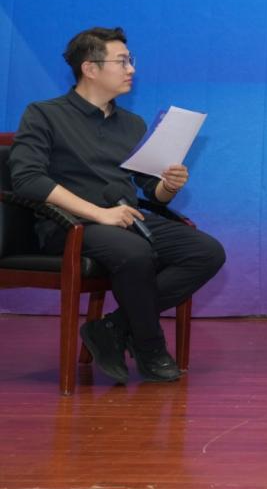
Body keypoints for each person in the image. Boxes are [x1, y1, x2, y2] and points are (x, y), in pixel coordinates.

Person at [8, 27, 226, 384]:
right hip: (70, 225)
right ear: (90, 68)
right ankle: (151, 347)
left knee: (206, 252)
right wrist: (99, 214)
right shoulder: (44, 114)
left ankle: (112, 327)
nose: (131, 70)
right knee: (134, 251)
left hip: (125, 219)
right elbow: (27, 179)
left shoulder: (132, 124)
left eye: (130, 61)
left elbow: (150, 188)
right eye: (122, 62)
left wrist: (168, 186)